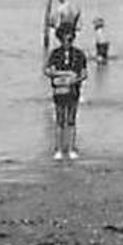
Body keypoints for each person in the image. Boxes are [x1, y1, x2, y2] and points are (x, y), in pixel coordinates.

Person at [43, 25, 89, 160]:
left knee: (71, 120)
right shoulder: (55, 54)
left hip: (74, 90)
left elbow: (84, 73)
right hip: (59, 91)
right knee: (60, 120)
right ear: (60, 38)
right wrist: (63, 75)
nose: (67, 41)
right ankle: (58, 149)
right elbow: (48, 71)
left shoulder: (79, 54)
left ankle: (71, 148)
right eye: (64, 38)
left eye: (69, 38)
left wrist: (75, 79)